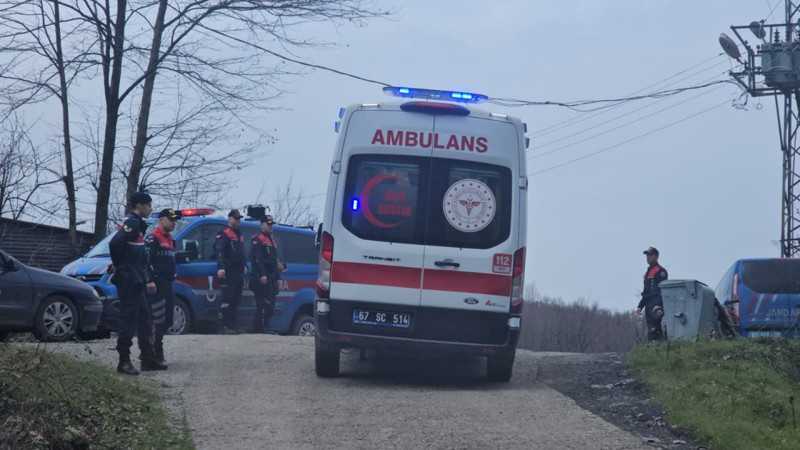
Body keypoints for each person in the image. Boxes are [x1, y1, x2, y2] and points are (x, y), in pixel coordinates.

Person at [109, 192, 158, 375]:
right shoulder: (132, 223)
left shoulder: (139, 225)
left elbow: (133, 251)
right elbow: (115, 243)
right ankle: (123, 361)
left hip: (138, 280)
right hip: (129, 280)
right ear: (140, 206)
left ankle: (147, 359)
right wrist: (121, 266)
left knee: (145, 319)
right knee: (128, 321)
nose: (151, 209)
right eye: (149, 205)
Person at [144, 208, 180, 369]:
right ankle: (154, 354)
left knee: (167, 321)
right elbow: (145, 261)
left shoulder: (171, 239)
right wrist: (149, 280)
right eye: (171, 219)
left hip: (168, 283)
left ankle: (151, 349)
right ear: (161, 220)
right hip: (156, 284)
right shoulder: (153, 237)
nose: (174, 222)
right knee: (156, 321)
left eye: (175, 220)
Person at [250, 215, 286, 333]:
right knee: (262, 306)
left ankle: (265, 327)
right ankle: (259, 328)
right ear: (262, 225)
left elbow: (275, 261)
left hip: (271, 278)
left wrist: (278, 277)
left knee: (270, 306)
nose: (271, 227)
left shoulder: (272, 241)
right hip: (261, 278)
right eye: (268, 224)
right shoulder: (258, 239)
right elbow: (258, 259)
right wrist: (262, 275)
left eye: (272, 224)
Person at [216, 209, 247, 334]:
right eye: (235, 218)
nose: (238, 220)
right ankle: (223, 326)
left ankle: (232, 325)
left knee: (236, 300)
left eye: (239, 218)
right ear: (229, 219)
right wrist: (221, 267)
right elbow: (219, 251)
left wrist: (244, 265)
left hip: (238, 272)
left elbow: (242, 253)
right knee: (226, 300)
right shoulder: (224, 233)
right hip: (228, 272)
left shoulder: (239, 234)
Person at [637, 246, 668, 342]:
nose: (648, 257)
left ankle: (659, 351)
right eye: (647, 255)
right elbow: (646, 292)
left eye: (650, 255)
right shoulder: (647, 273)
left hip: (656, 304)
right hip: (648, 304)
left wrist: (659, 305)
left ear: (656, 257)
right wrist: (640, 306)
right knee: (650, 329)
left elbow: (662, 290)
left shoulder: (661, 271)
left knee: (656, 329)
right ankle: (652, 350)